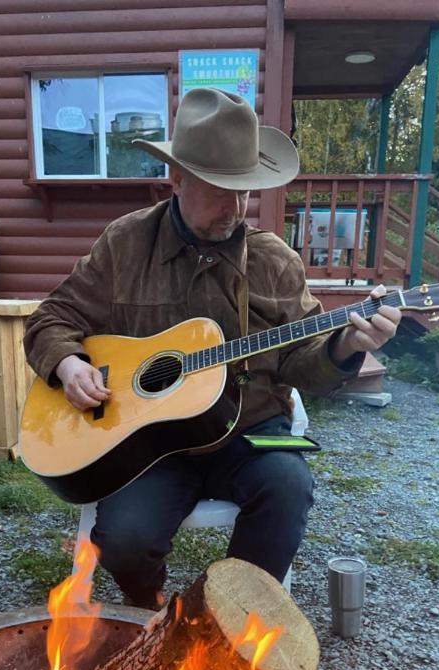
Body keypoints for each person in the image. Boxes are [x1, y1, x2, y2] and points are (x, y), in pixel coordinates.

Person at [24, 88, 401, 609]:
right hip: (151, 442)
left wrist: (345, 347)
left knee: (287, 489)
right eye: (220, 188)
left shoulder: (274, 261)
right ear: (176, 178)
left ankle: (229, 621)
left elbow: (305, 361)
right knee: (126, 541)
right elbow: (53, 317)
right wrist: (69, 362)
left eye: (245, 190)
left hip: (249, 429)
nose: (235, 205)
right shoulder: (125, 243)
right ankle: (151, 607)